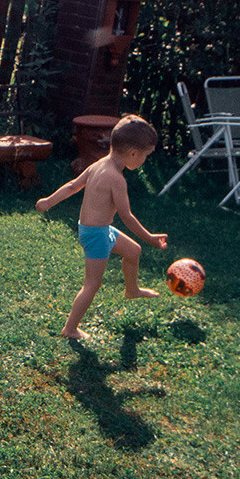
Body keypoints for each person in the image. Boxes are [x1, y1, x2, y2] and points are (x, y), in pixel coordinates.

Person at [35, 115, 169, 342]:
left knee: (133, 251)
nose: (145, 160)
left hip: (98, 230)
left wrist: (49, 201)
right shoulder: (116, 178)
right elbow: (127, 217)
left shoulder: (99, 164)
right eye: (146, 156)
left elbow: (72, 186)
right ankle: (70, 328)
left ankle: (132, 290)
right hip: (96, 235)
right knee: (92, 285)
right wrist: (151, 238)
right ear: (133, 153)